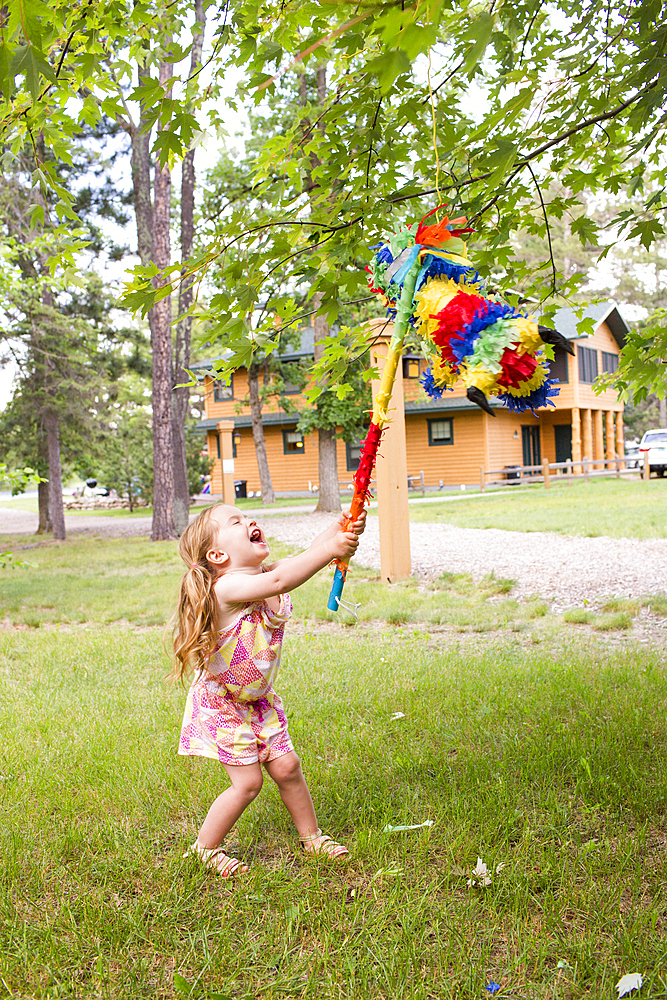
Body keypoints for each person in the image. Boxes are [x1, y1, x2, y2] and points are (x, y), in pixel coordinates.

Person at [171, 502, 366, 877]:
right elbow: (281, 583)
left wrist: (341, 526)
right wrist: (332, 551)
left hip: (257, 701)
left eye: (248, 517)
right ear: (217, 555)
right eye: (237, 522)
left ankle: (312, 837)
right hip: (223, 704)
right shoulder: (227, 587)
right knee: (248, 784)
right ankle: (204, 849)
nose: (250, 521)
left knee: (288, 767)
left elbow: (305, 557)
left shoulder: (265, 572)